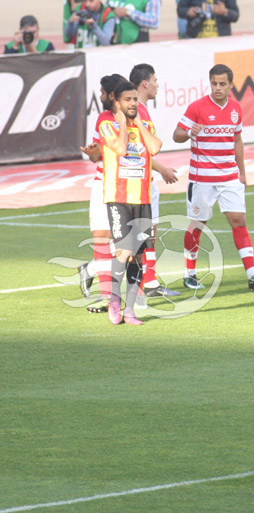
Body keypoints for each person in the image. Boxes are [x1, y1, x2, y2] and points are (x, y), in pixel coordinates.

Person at [172, 64, 254, 292]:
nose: (217, 88)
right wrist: (189, 132)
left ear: (230, 85)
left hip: (229, 176)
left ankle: (252, 274)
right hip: (202, 179)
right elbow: (176, 135)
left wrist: (242, 172)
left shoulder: (235, 109)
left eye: (222, 84)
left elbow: (237, 140)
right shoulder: (196, 107)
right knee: (198, 224)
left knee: (239, 220)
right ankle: (189, 274)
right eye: (214, 83)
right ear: (210, 83)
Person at [97, 80, 162, 325]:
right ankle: (114, 300)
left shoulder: (144, 123)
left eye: (135, 99)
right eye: (128, 100)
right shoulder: (107, 122)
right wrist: (123, 123)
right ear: (117, 102)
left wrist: (138, 124)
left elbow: (155, 148)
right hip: (119, 198)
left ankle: (130, 310)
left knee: (137, 257)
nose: (133, 103)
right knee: (124, 251)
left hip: (142, 199)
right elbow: (121, 149)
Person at [129, 63, 181, 299]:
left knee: (148, 232)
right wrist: (163, 170)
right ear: (145, 83)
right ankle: (94, 271)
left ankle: (149, 282)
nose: (158, 85)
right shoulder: (135, 111)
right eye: (155, 80)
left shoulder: (142, 110)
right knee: (137, 236)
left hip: (145, 179)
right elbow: (141, 152)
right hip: (138, 181)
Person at [78, 73, 127, 314]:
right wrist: (93, 152)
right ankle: (108, 297)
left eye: (103, 93)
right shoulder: (102, 118)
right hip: (102, 183)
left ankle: (90, 270)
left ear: (112, 95)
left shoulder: (134, 117)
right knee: (101, 237)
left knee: (127, 246)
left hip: (127, 186)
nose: (100, 96)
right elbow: (100, 154)